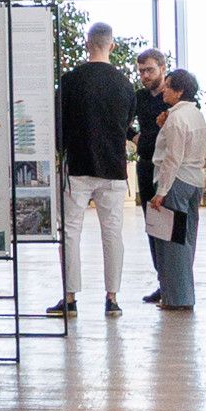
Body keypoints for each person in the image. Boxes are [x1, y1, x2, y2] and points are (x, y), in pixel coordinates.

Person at [47, 21, 139, 319]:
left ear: (88, 44)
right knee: (112, 233)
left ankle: (70, 298)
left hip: (78, 166)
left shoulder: (70, 81)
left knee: (70, 232)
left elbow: (58, 124)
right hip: (113, 168)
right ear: (112, 45)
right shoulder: (125, 84)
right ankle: (112, 298)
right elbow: (127, 124)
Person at [145, 69, 206, 311]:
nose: (164, 90)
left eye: (169, 86)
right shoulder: (196, 114)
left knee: (171, 242)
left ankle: (176, 298)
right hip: (194, 181)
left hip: (176, 182)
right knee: (187, 238)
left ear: (180, 91)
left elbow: (172, 159)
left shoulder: (177, 119)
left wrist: (161, 191)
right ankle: (184, 294)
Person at [131, 50, 171, 302]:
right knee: (153, 225)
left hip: (168, 166)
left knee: (170, 223)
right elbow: (121, 121)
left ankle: (173, 279)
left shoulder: (173, 95)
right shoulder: (139, 97)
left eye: (150, 70)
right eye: (141, 71)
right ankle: (162, 280)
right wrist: (136, 137)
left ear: (162, 68)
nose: (145, 76)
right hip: (146, 165)